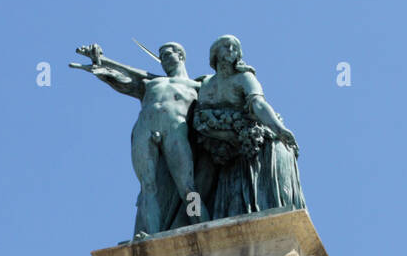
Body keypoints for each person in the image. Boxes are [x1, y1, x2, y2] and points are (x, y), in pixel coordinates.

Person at [70, 41, 208, 238]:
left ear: (181, 56)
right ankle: (151, 236)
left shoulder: (198, 86)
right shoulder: (150, 83)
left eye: (167, 55)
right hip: (145, 128)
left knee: (187, 188)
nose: (163, 61)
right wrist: (99, 61)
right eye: (160, 57)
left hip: (175, 130)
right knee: (148, 188)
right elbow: (123, 80)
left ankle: (204, 226)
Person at [193, 34, 304, 221]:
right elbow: (201, 121)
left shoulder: (244, 77)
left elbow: (258, 104)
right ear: (214, 54)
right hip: (229, 153)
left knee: (265, 199)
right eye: (226, 46)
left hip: (258, 145)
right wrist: (227, 137)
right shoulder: (207, 85)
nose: (230, 50)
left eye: (234, 48)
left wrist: (279, 129)